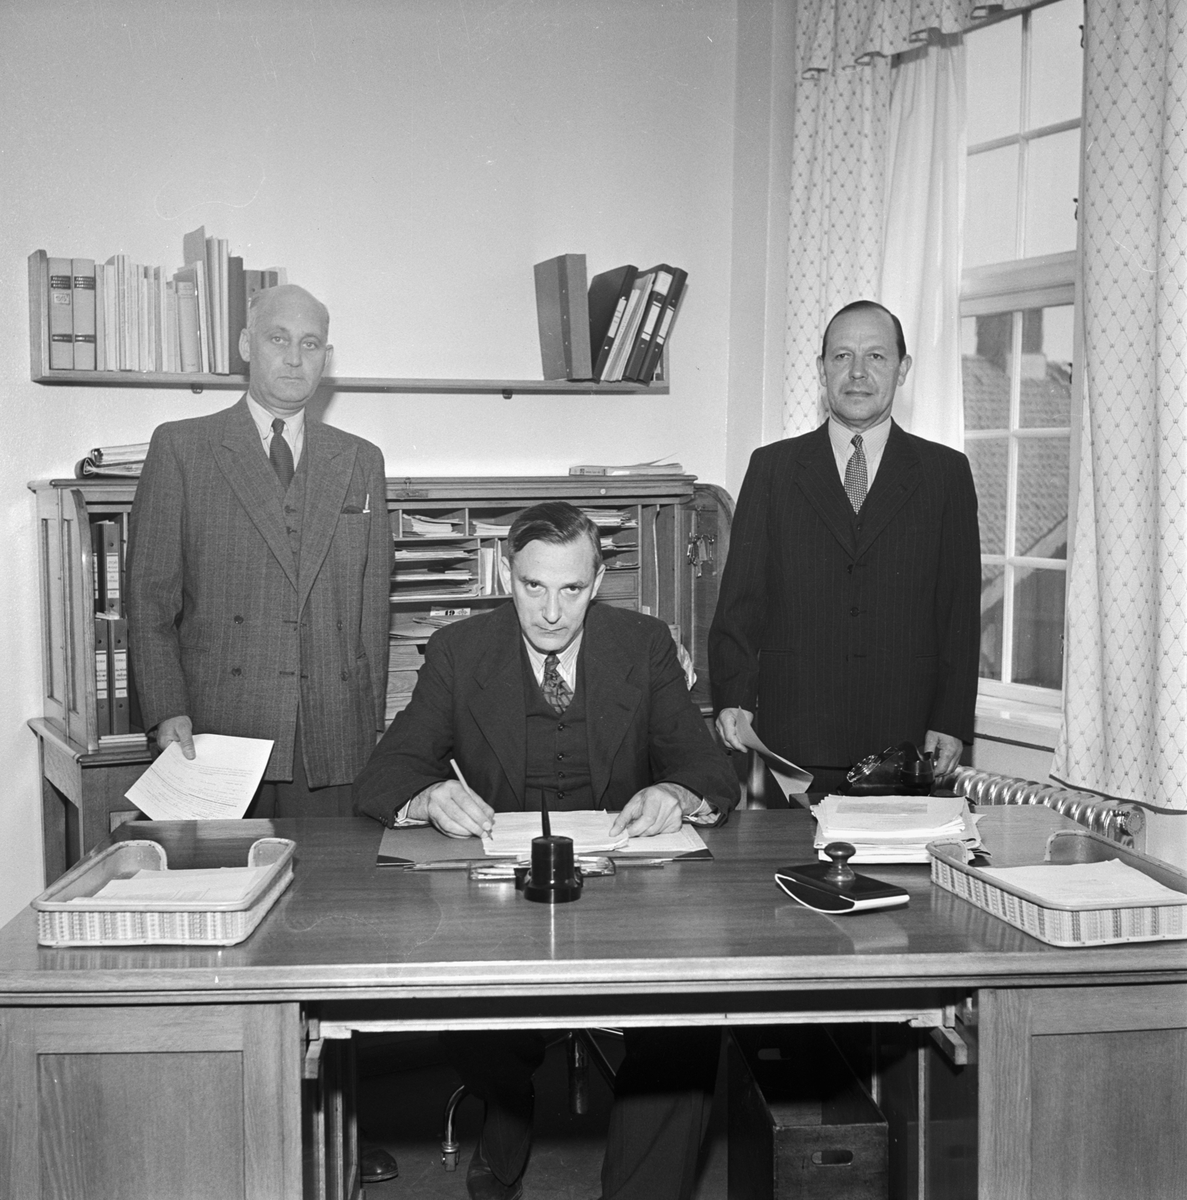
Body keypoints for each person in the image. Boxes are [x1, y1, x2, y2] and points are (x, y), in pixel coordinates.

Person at [354, 500, 738, 1200]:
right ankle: (508, 1108)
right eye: (534, 587)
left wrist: (676, 793)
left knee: (687, 1014)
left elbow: (709, 769)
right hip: (501, 894)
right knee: (461, 1002)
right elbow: (387, 772)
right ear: (509, 576)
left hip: (628, 890)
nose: (552, 612)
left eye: (571, 589)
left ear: (597, 583)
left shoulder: (643, 644)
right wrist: (428, 796)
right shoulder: (460, 650)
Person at [126, 284, 392, 817]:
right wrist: (166, 710)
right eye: (278, 338)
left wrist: (370, 722)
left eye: (310, 344)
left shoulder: (360, 460)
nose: (295, 358)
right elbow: (150, 600)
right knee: (222, 869)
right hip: (216, 733)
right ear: (247, 345)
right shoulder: (182, 448)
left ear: (326, 357)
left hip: (332, 734)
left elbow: (372, 611)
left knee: (333, 870)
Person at [708, 299, 980, 794]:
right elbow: (740, 603)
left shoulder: (946, 474)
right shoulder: (772, 468)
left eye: (876, 356)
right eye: (841, 356)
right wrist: (733, 697)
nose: (857, 372)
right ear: (821, 369)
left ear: (902, 369)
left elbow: (958, 611)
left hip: (906, 742)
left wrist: (952, 719)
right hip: (791, 738)